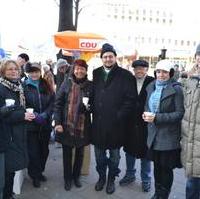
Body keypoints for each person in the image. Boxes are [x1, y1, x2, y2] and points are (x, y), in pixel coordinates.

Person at [91, 43, 135, 194]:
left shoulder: (126, 75)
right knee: (99, 155)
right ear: (101, 58)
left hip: (116, 124)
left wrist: (119, 115)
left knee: (115, 156)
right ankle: (101, 177)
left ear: (115, 57)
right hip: (98, 123)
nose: (108, 59)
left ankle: (111, 179)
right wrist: (89, 105)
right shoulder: (96, 73)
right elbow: (93, 94)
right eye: (105, 56)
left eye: (110, 56)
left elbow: (131, 100)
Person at [143, 59, 184, 199]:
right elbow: (148, 106)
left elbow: (179, 114)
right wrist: (146, 114)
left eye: (165, 72)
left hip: (168, 136)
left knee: (166, 169)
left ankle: (164, 195)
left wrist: (157, 118)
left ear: (170, 73)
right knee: (157, 167)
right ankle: (157, 193)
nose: (161, 75)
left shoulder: (176, 89)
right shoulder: (151, 86)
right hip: (153, 135)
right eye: (158, 71)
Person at [54, 59, 92, 191]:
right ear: (73, 70)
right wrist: (57, 123)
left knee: (80, 153)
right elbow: (58, 104)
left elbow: (95, 105)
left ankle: (76, 177)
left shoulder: (90, 85)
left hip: (82, 127)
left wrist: (87, 108)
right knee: (67, 153)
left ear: (86, 70)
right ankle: (67, 178)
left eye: (82, 68)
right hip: (66, 124)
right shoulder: (66, 83)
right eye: (77, 68)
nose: (79, 71)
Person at [0, 59, 35, 199]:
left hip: (17, 132)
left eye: (15, 69)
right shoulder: (2, 88)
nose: (14, 71)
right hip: (6, 134)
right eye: (10, 69)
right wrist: (23, 115)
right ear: (3, 72)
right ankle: (7, 195)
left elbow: (21, 106)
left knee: (12, 167)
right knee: (8, 169)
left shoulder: (19, 86)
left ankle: (9, 193)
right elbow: (3, 115)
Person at [120, 60, 154, 192]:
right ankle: (130, 175)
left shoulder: (152, 81)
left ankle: (146, 179)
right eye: (137, 69)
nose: (139, 71)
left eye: (142, 68)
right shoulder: (129, 81)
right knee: (129, 151)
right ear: (133, 70)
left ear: (147, 69)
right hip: (129, 123)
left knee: (146, 153)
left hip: (146, 124)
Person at [23, 62, 55, 188]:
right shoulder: (23, 86)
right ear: (28, 73)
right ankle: (34, 175)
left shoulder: (45, 84)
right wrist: (35, 115)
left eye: (36, 71)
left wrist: (46, 115)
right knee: (33, 152)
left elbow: (53, 101)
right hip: (31, 125)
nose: (34, 74)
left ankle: (40, 171)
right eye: (31, 72)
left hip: (45, 124)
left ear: (40, 71)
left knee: (44, 150)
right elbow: (22, 105)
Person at [181, 43, 200, 199]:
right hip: (190, 143)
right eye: (198, 55)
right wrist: (186, 76)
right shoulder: (191, 80)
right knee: (191, 185)